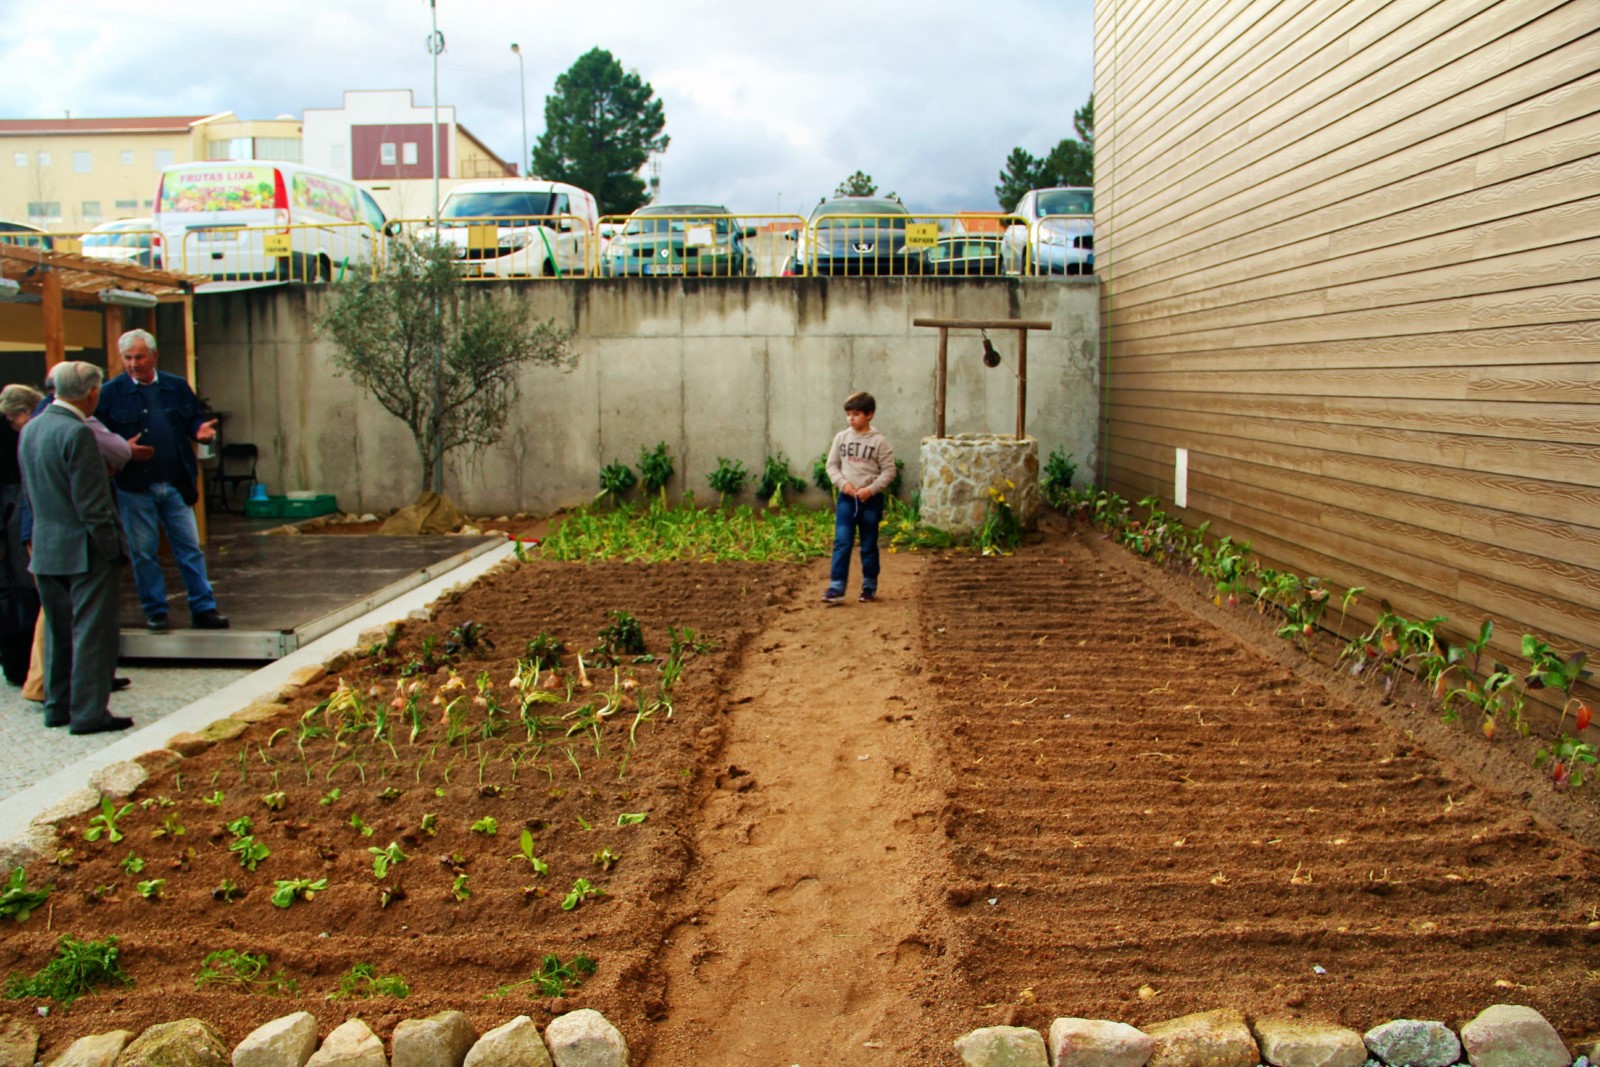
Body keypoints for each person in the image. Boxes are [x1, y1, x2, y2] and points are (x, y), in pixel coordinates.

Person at [18, 362, 132, 734]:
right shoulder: (77, 433)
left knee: (57, 630)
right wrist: (113, 547)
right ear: (91, 393)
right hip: (83, 549)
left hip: (46, 546)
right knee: (91, 632)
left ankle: (58, 705)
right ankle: (88, 713)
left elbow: (32, 493)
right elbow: (92, 503)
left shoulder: (31, 429)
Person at [95, 328, 229, 632]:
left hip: (176, 483)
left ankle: (204, 607)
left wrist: (200, 431)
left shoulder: (176, 387)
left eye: (139, 357)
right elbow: (98, 434)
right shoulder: (110, 393)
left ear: (154, 356)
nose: (133, 363)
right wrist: (122, 450)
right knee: (144, 552)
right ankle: (155, 611)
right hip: (135, 487)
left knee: (189, 547)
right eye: (127, 358)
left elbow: (194, 417)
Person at [823, 390, 895, 603]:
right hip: (847, 500)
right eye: (848, 415)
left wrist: (870, 490)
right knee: (842, 542)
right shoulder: (841, 438)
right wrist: (844, 484)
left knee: (868, 544)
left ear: (869, 415)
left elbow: (889, 471)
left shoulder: (879, 442)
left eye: (855, 414)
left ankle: (869, 585)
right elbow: (831, 466)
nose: (850, 419)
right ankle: (836, 587)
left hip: (870, 502)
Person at [0, 384, 44, 684]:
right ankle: (21, 666)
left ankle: (17, 665)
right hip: (12, 515)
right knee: (21, 591)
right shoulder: (12, 442)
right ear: (21, 414)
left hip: (10, 516)